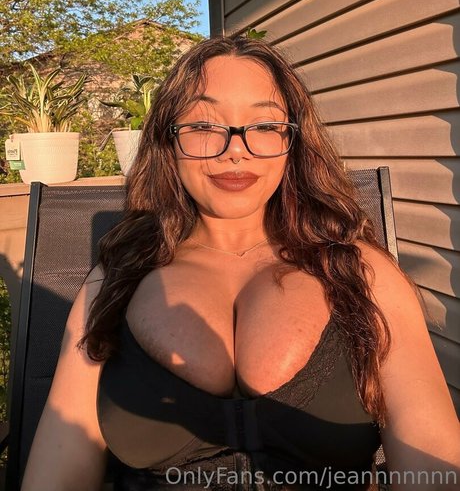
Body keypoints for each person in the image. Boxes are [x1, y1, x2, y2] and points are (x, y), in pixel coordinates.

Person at [22, 36, 460, 491]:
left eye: (265, 124)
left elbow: (436, 469)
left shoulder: (363, 275)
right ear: (168, 140)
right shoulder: (115, 280)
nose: (235, 149)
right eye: (204, 124)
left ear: (293, 142)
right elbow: (58, 473)